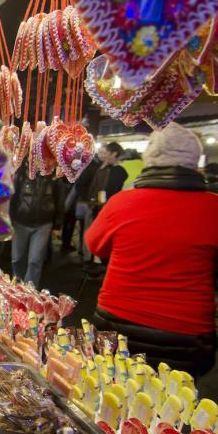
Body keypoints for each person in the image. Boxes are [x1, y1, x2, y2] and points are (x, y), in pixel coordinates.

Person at [85, 123, 218, 375]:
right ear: (194, 163)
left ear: (150, 159)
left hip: (118, 323)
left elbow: (95, 246)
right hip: (187, 336)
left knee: (111, 390)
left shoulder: (122, 202)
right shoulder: (214, 207)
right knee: (175, 396)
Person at [9, 164, 64, 288]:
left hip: (43, 223)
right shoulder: (21, 173)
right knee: (17, 258)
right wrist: (10, 220)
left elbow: (60, 201)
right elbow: (13, 198)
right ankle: (16, 288)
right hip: (20, 221)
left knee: (35, 260)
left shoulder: (54, 176)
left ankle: (30, 291)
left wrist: (57, 225)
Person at [81, 142, 127, 261]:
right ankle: (92, 258)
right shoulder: (104, 168)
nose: (103, 156)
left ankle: (97, 259)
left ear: (114, 154)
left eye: (106, 153)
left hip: (107, 209)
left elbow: (110, 190)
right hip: (97, 206)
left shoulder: (119, 171)